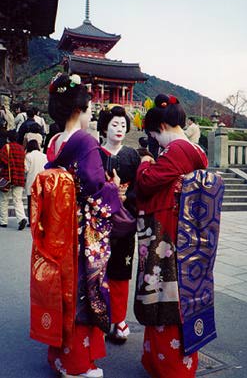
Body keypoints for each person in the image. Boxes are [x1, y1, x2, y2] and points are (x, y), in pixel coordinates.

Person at [30, 73, 121, 378]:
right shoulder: (85, 141)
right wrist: (113, 190)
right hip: (81, 231)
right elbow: (95, 186)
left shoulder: (54, 142)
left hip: (58, 231)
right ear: (78, 110)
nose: (92, 114)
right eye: (90, 108)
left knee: (62, 290)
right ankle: (76, 364)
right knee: (83, 291)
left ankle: (58, 356)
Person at [134, 102, 209, 378]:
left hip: (169, 232)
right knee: (181, 295)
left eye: (155, 136)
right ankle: (162, 360)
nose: (155, 142)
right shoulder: (196, 150)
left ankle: (170, 366)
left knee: (165, 295)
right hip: (189, 233)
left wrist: (144, 164)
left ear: (162, 128)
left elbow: (149, 182)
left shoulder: (177, 149)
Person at [98, 106, 140, 343]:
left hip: (124, 221)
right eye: (115, 125)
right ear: (104, 127)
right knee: (98, 269)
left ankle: (120, 318)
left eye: (123, 125)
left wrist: (125, 197)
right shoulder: (95, 153)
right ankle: (100, 315)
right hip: (100, 221)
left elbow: (138, 189)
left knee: (121, 270)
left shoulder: (132, 155)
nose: (119, 129)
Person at [0, 130, 27, 230]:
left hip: (7, 177)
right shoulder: (21, 148)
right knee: (18, 200)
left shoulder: (6, 147)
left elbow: (2, 160)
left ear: (8, 138)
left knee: (4, 200)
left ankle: (3, 221)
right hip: (19, 177)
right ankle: (21, 218)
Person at [24, 139, 47, 226]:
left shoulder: (28, 156)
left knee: (31, 203)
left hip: (31, 182)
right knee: (41, 202)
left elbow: (26, 169)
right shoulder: (44, 156)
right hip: (42, 182)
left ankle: (32, 221)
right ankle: (41, 221)